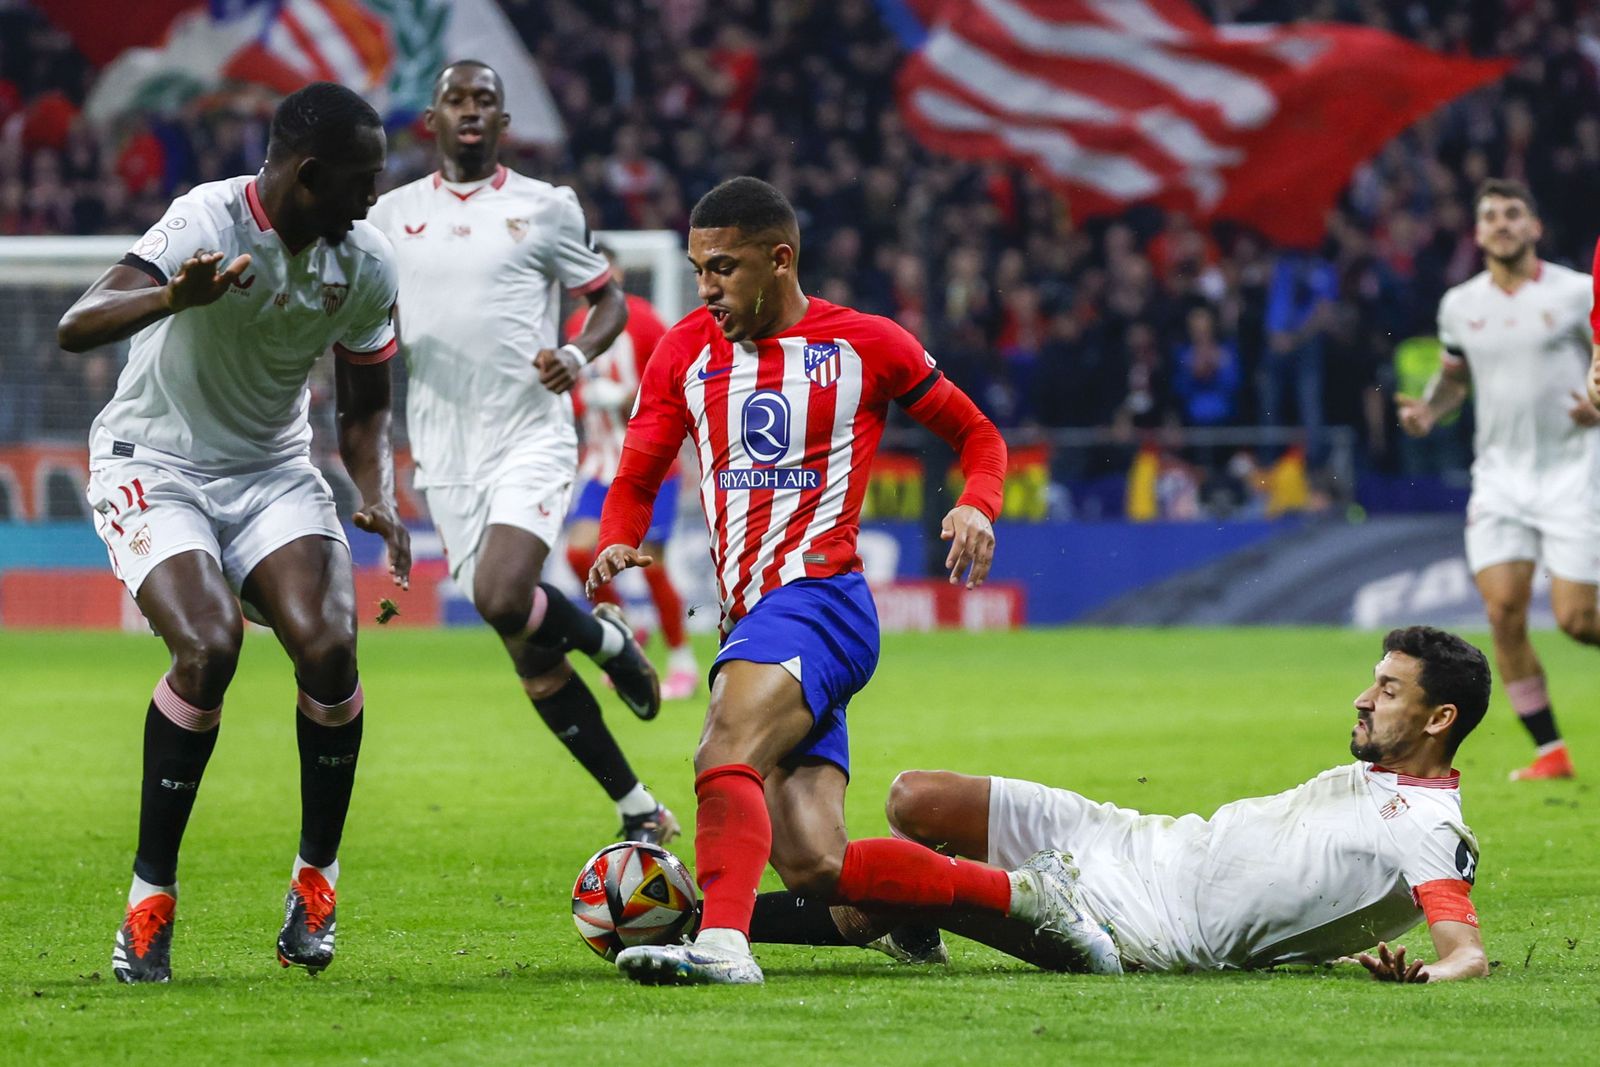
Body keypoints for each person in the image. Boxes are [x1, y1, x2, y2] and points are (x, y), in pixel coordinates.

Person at [588, 178, 1113, 986]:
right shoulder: (685, 349)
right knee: (816, 865)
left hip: (820, 599)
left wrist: (977, 504)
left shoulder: (866, 344)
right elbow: (639, 468)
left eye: (723, 268)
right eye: (698, 269)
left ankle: (723, 945)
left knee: (723, 743)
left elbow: (977, 434)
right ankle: (1027, 896)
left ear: (781, 259)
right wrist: (618, 539)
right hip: (752, 619)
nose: (705, 288)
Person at [57, 82, 411, 983]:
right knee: (209, 647)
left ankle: (315, 886)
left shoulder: (365, 261)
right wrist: (172, 297)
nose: (378, 193)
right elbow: (76, 325)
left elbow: (366, 411)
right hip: (155, 462)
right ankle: (148, 904)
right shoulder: (204, 218)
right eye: (365, 178)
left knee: (331, 647)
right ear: (310, 174)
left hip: (272, 473)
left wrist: (375, 491)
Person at [367, 62, 676, 847]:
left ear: (503, 123)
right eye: (456, 100)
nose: (470, 112)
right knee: (529, 655)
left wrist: (576, 357)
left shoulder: (543, 208)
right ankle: (638, 805)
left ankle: (612, 644)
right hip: (443, 450)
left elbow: (605, 296)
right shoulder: (390, 216)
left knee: (506, 595)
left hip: (529, 434)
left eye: (485, 102)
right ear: (431, 120)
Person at [877, 626, 1492, 982]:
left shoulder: (1430, 826)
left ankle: (857, 921)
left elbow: (1466, 955)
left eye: (1388, 690)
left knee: (867, 880)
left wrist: (1427, 975)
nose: (1362, 698)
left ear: (1440, 718)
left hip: (1147, 927)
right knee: (915, 800)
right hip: (1138, 839)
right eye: (1373, 680)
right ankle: (904, 931)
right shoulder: (1377, 772)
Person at [1398, 178, 1598, 781]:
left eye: (1514, 213)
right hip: (1500, 478)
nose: (1502, 224)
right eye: (1490, 216)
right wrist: (1431, 409)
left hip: (1574, 469)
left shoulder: (1576, 293)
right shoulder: (1461, 304)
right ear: (1478, 232)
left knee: (1578, 620)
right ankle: (1550, 753)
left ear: (1534, 227)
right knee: (1504, 611)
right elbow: (1455, 375)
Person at [563, 246, 699, 699]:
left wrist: (623, 397)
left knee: (653, 564)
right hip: (600, 464)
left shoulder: (643, 321)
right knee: (579, 556)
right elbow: (575, 395)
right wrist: (589, 398)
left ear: (616, 274)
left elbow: (673, 382)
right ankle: (630, 632)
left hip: (649, 465)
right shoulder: (573, 328)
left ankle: (682, 661)